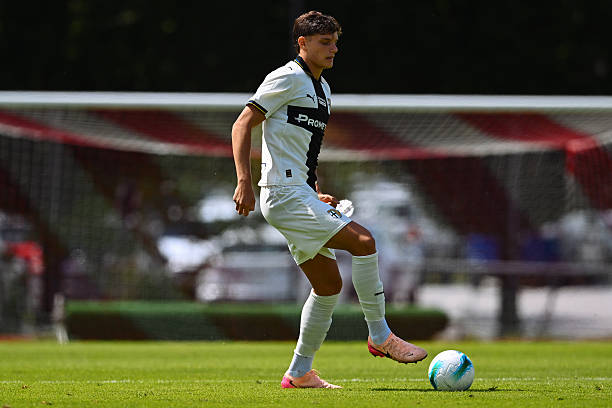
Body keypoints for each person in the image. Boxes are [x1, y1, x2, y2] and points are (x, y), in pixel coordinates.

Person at [231, 10, 427, 389]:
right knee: (364, 241)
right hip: (282, 194)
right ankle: (380, 335)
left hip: (298, 193)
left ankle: (299, 373)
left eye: (336, 42)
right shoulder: (286, 77)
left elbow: (303, 151)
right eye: (325, 42)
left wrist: (312, 190)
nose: (333, 48)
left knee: (328, 287)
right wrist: (244, 181)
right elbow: (242, 124)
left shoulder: (323, 90)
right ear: (302, 43)